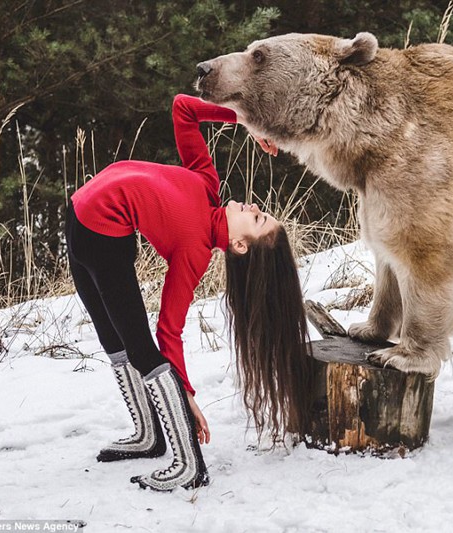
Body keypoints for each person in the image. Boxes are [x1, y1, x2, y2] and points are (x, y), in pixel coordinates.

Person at [66, 94, 313, 492]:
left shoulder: (194, 251)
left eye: (257, 218)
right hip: (78, 216)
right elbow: (184, 108)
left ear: (240, 246)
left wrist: (187, 396)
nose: (253, 205)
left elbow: (169, 330)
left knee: (141, 348)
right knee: (111, 336)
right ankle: (149, 436)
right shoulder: (208, 185)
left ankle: (188, 465)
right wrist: (247, 120)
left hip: (103, 237)